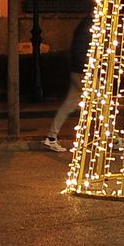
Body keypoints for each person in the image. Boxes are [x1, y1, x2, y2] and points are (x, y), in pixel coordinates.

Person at [42, 11, 93, 152]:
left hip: (78, 71)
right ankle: (114, 139)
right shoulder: (88, 27)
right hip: (83, 72)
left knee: (68, 105)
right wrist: (87, 69)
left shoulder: (86, 26)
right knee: (100, 103)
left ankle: (51, 138)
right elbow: (81, 51)